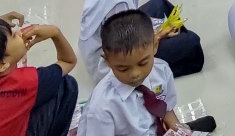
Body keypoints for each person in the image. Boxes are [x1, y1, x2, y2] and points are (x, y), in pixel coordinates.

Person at [78, 10, 216, 135]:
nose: (135, 74)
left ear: (155, 46)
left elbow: (166, 108)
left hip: (155, 129)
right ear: (107, 61)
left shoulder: (161, 71)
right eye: (123, 69)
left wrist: (177, 128)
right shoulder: (101, 107)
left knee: (204, 124)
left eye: (143, 63)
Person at [0, 17, 78, 136]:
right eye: (13, 36)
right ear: (1, 65)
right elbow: (68, 61)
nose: (18, 32)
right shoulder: (24, 82)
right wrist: (55, 33)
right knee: (66, 84)